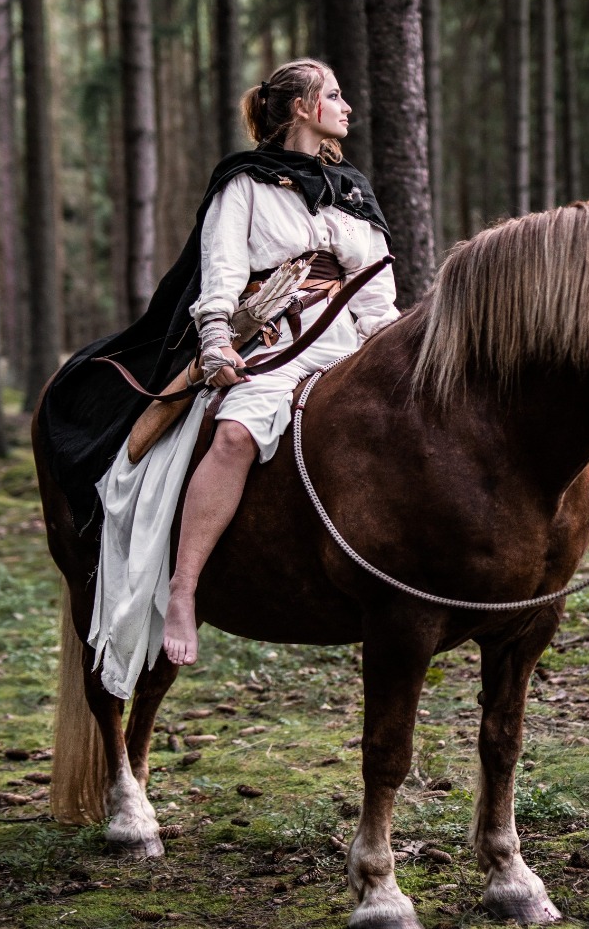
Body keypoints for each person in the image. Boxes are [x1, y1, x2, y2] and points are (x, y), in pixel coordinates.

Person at [86, 59, 399, 696]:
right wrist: (219, 344)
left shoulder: (353, 192)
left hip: (349, 354)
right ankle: (183, 589)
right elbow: (220, 277)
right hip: (274, 352)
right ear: (304, 109)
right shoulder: (245, 186)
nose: (346, 107)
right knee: (232, 435)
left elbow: (377, 300)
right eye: (334, 96)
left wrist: (395, 356)